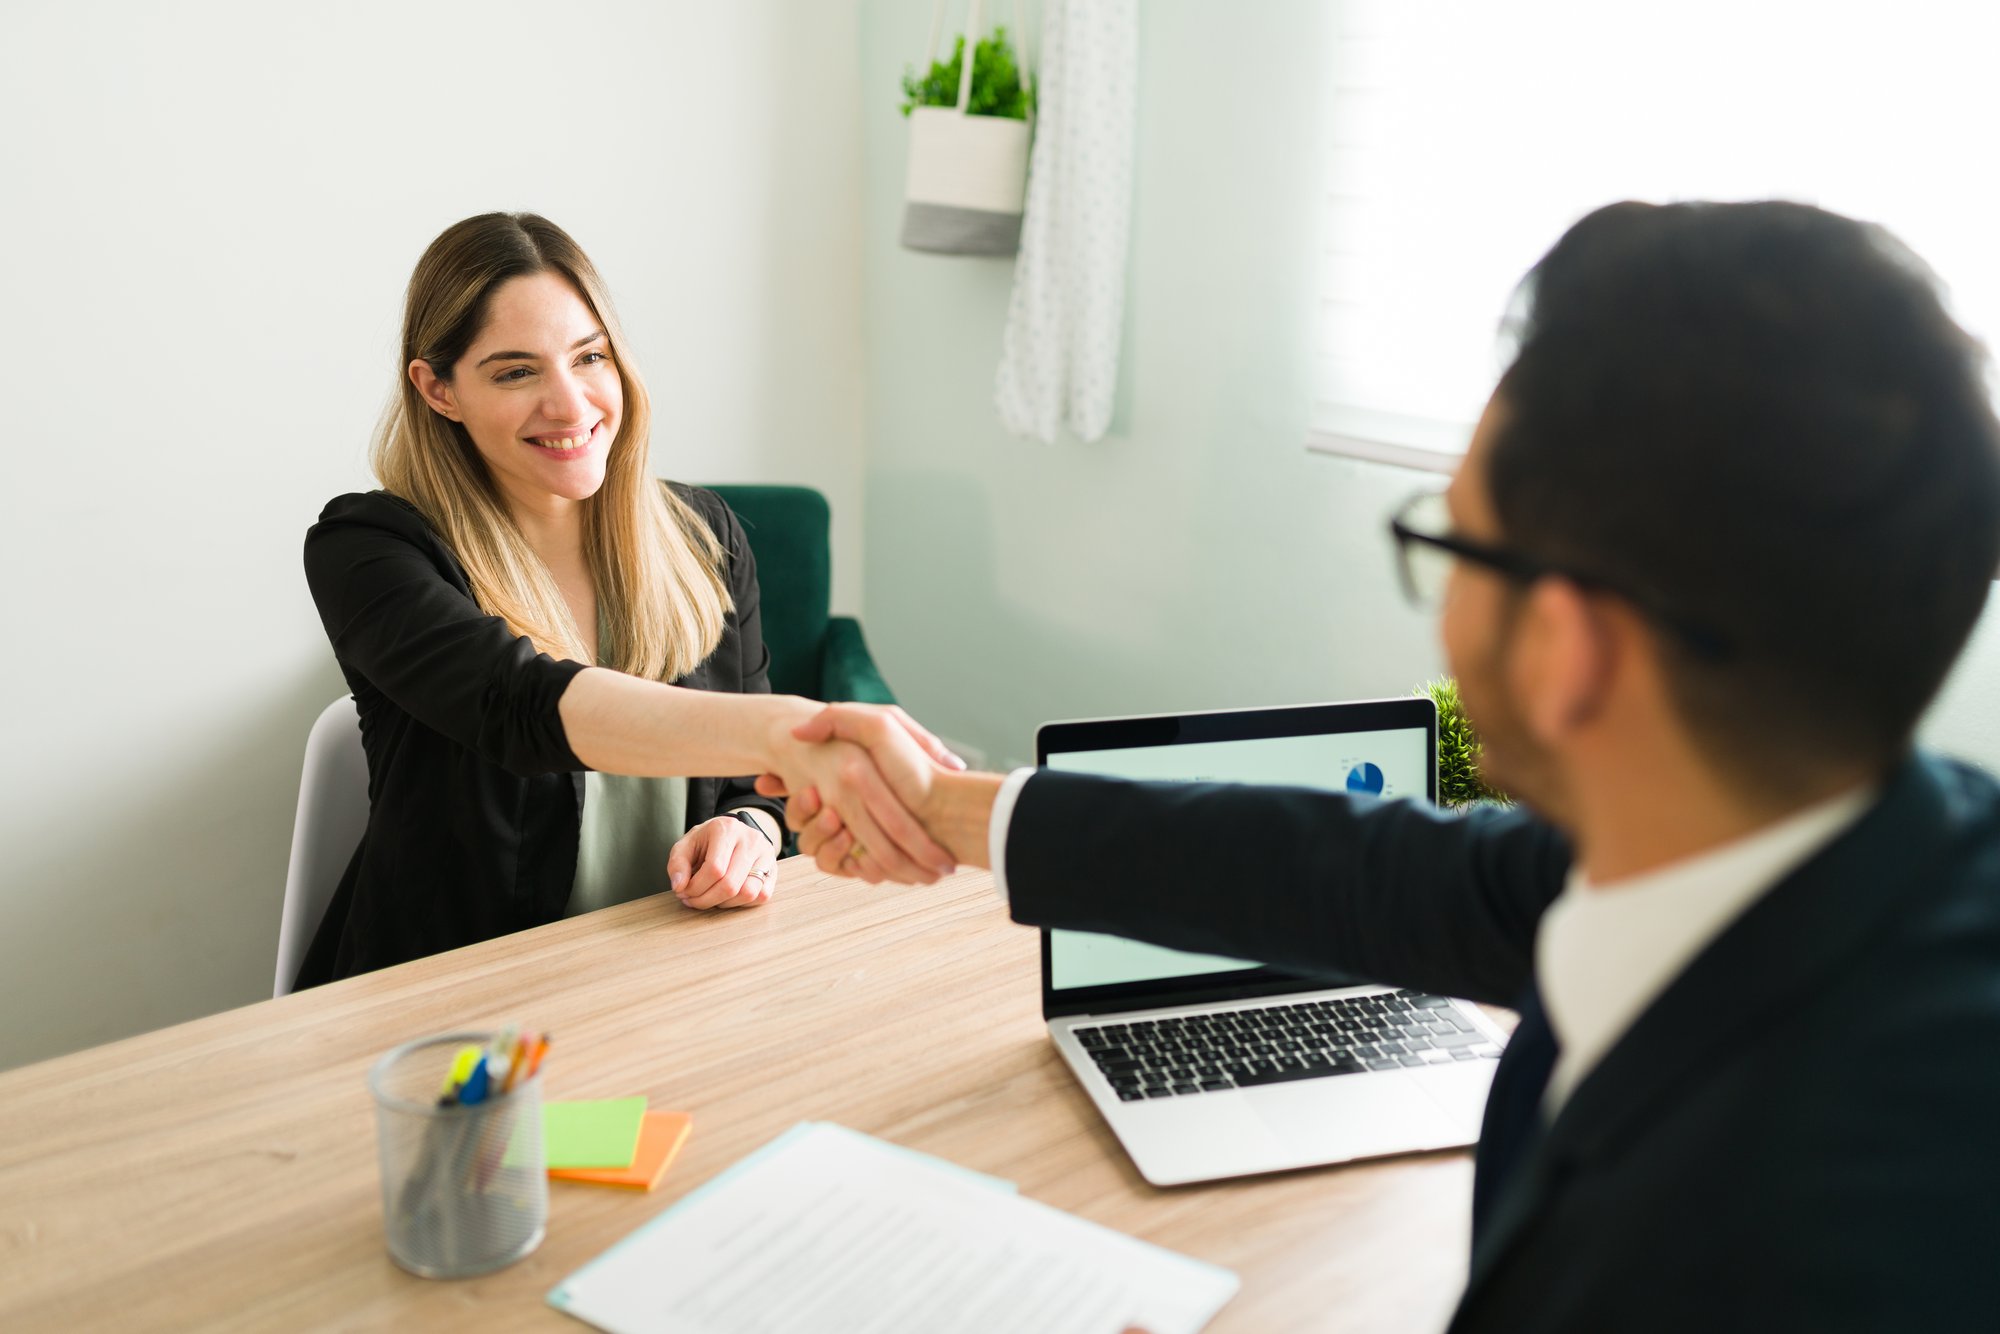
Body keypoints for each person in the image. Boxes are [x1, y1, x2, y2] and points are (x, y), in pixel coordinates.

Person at [768, 202, 2000, 1329]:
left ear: (1570, 647)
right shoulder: (1848, 845)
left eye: (1453, 540)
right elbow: (1360, 870)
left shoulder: (1756, 1247)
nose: (1442, 613)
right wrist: (948, 805)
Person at [297, 212, 959, 987]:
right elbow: (518, 706)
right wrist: (790, 732)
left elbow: (752, 787)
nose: (572, 406)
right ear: (438, 389)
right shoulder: (370, 549)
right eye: (515, 372)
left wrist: (745, 827)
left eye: (590, 357)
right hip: (455, 1004)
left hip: (667, 980)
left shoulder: (703, 537)